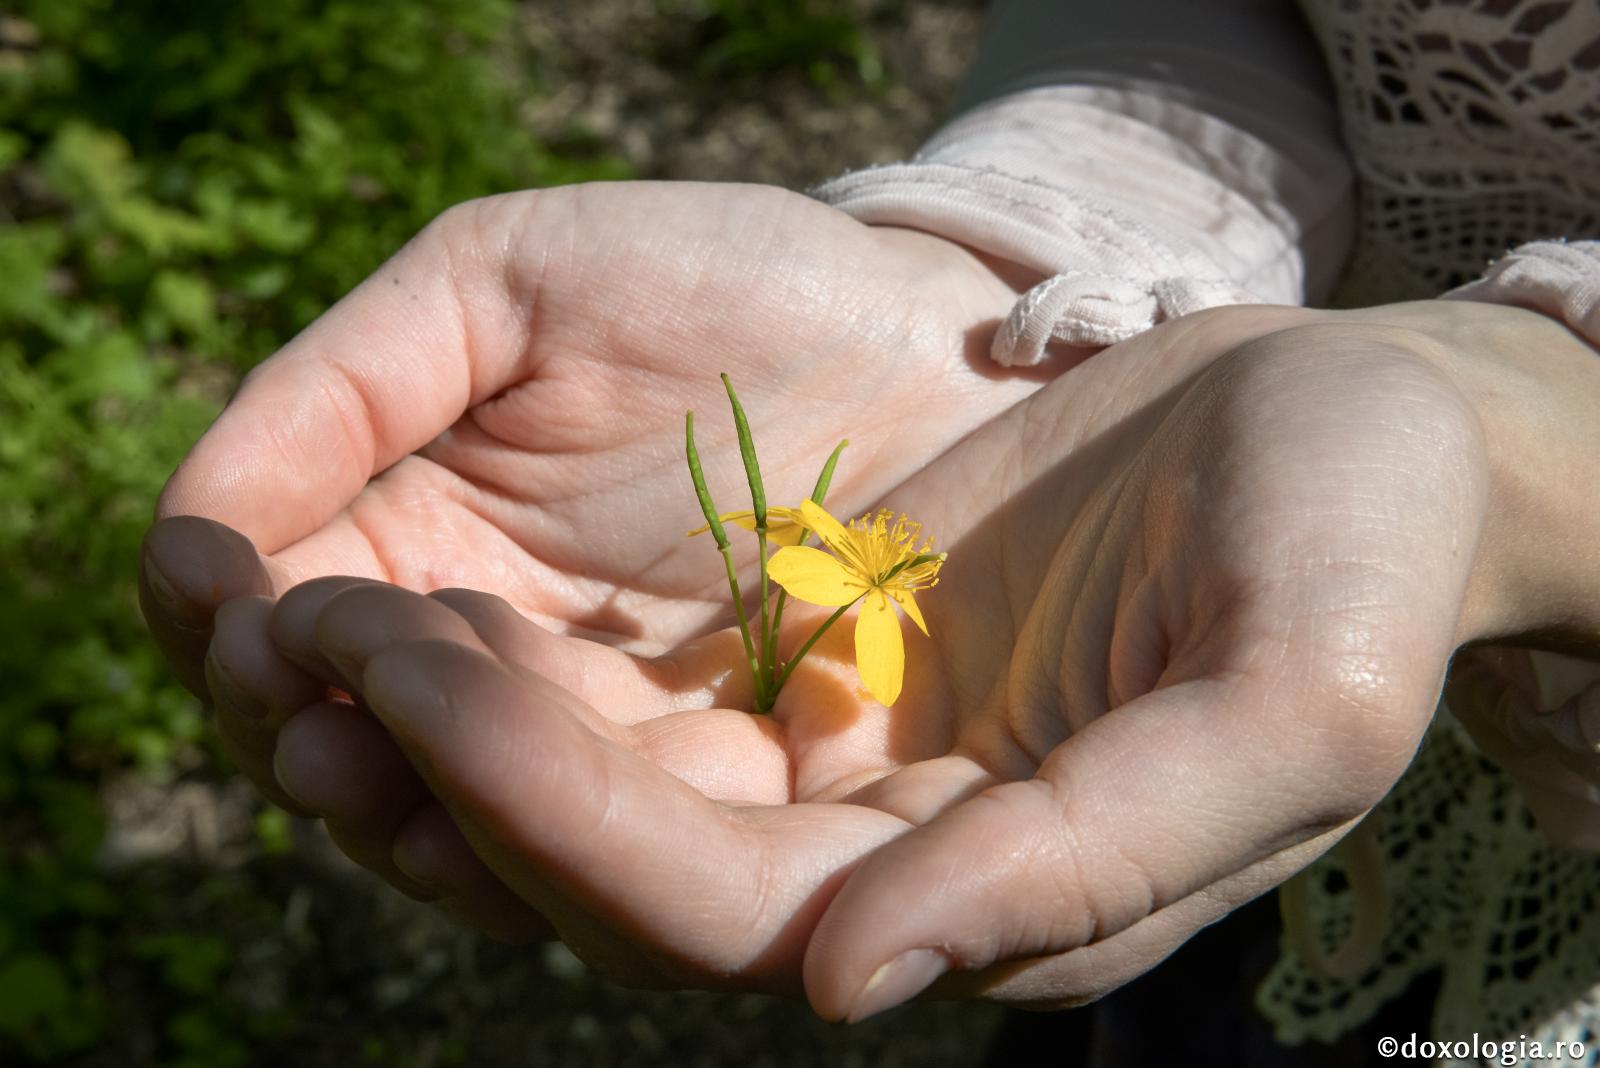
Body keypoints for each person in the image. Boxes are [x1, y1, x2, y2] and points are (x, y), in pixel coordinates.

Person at [139, 0, 1600, 1056]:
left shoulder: (874, 607)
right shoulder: (854, 587)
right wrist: (996, 260)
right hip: (1181, 632)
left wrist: (1517, 425)